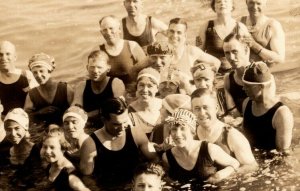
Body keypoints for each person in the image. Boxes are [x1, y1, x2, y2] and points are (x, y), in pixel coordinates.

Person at [80, 97, 158, 188]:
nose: (122, 128)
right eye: (116, 124)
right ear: (104, 120)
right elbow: (86, 177)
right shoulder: (90, 144)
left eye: (124, 122)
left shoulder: (136, 133)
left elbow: (155, 160)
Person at [162, 109, 240, 183]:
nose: (178, 134)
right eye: (174, 129)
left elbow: (235, 163)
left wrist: (219, 175)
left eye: (183, 129)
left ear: (192, 132)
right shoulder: (167, 157)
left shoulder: (209, 149)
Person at [191, 88, 258, 173]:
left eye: (205, 107)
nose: (202, 113)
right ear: (192, 111)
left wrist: (223, 174)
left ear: (216, 108)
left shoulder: (231, 135)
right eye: (197, 108)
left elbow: (252, 167)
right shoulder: (191, 135)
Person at [242, 61, 293, 152]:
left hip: (271, 160)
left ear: (261, 87)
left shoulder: (282, 114)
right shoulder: (246, 103)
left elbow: (283, 153)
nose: (243, 88)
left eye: (247, 86)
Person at [72, 50, 125, 128]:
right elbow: (75, 110)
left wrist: (87, 115)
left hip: (111, 126)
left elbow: (118, 108)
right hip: (90, 126)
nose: (95, 71)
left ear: (108, 68)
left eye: (99, 67)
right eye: (92, 67)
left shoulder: (116, 83)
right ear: (87, 68)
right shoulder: (81, 86)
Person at [196, 0, 248, 74]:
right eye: (218, 1)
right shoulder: (206, 27)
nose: (222, 3)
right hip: (213, 73)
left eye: (225, 1)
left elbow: (247, 54)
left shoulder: (241, 27)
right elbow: (198, 54)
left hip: (236, 74)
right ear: (214, 6)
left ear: (232, 5)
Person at [99, 15, 146, 91]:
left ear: (119, 29)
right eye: (104, 30)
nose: (108, 32)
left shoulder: (132, 46)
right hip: (111, 94)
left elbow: (147, 72)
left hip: (133, 92)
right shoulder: (99, 51)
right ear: (101, 32)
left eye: (111, 28)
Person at [24, 53, 73, 125]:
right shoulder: (32, 94)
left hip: (65, 126)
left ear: (49, 71)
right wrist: (39, 112)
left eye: (41, 71)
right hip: (44, 130)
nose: (38, 75)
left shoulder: (64, 89)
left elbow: (77, 111)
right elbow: (24, 117)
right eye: (35, 72)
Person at [40, 125, 90, 191]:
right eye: (45, 147)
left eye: (52, 147)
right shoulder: (50, 166)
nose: (47, 151)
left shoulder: (69, 174)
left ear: (63, 149)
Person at [240, 0, 285, 67]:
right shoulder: (239, 23)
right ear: (246, 2)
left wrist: (254, 45)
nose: (255, 7)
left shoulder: (273, 25)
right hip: (243, 72)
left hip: (264, 73)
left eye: (258, 3)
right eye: (251, 2)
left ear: (265, 4)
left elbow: (279, 59)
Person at [0, 41, 38, 115]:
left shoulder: (27, 76)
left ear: (15, 57)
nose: (4, 58)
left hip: (27, 119)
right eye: (0, 54)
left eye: (8, 54)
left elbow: (39, 101)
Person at [129, 68, 162, 140]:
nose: (145, 90)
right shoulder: (129, 113)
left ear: (157, 89)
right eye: (141, 85)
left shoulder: (165, 106)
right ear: (136, 87)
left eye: (150, 86)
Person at [223, 33, 251, 116]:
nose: (231, 57)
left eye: (234, 52)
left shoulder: (260, 74)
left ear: (246, 50)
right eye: (227, 53)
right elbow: (233, 111)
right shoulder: (228, 78)